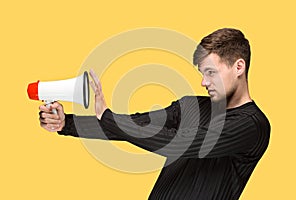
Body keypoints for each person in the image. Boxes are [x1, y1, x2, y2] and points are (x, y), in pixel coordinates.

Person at [39, 28, 270, 200]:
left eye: (210, 72)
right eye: (202, 73)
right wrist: (66, 124)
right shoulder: (191, 106)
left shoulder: (253, 126)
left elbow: (182, 143)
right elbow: (132, 126)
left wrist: (108, 116)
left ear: (239, 67)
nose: (203, 82)